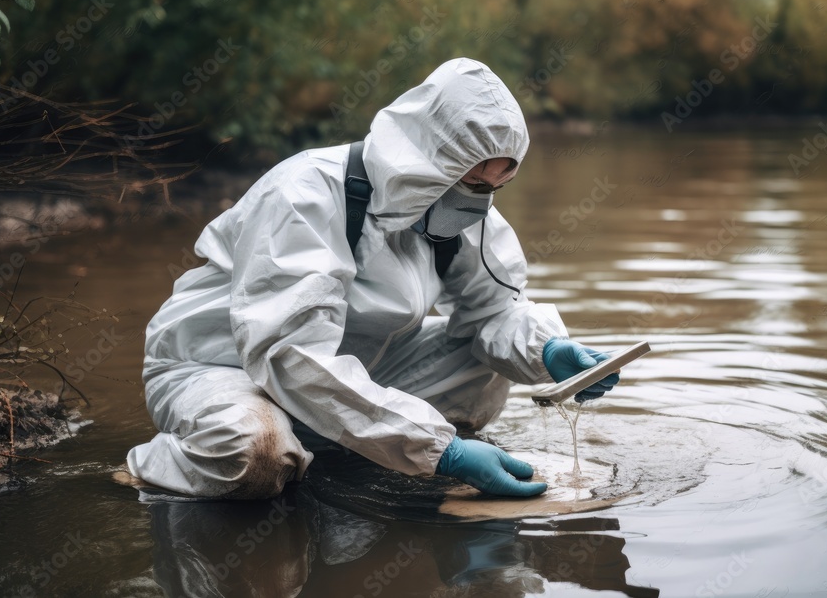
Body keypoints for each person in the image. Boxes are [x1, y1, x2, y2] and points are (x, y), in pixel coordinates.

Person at [125, 57, 620, 500]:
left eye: (498, 186)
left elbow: (494, 311)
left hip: (352, 365)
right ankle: (158, 466)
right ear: (431, 161)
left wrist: (549, 351)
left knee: (484, 360)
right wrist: (440, 451)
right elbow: (292, 357)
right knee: (256, 457)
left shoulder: (460, 213)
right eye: (473, 182)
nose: (481, 201)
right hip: (223, 369)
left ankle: (341, 445)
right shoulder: (303, 196)